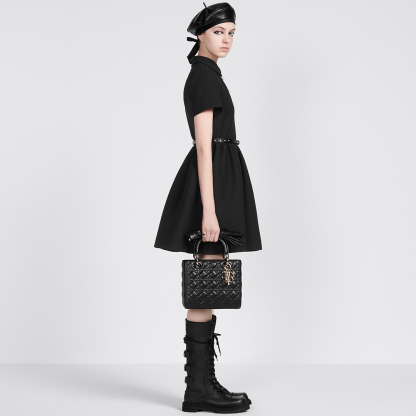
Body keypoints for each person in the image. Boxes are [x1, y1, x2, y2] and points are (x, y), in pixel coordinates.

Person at [154, 2, 262, 413]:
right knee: (206, 283)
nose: (227, 40)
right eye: (219, 32)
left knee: (210, 282)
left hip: (220, 181)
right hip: (211, 188)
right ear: (200, 34)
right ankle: (199, 389)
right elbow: (203, 148)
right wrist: (210, 212)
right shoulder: (202, 76)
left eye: (232, 33)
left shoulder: (210, 74)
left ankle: (202, 385)